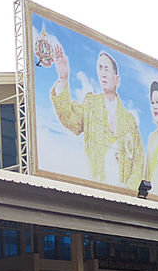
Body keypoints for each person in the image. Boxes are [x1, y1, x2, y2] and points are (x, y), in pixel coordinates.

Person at [49, 45, 144, 190]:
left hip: (122, 195)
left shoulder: (130, 122)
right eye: (100, 68)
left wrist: (127, 191)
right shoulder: (91, 104)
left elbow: (138, 162)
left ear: (117, 79)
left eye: (107, 69)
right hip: (95, 189)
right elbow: (71, 120)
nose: (103, 73)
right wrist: (63, 78)